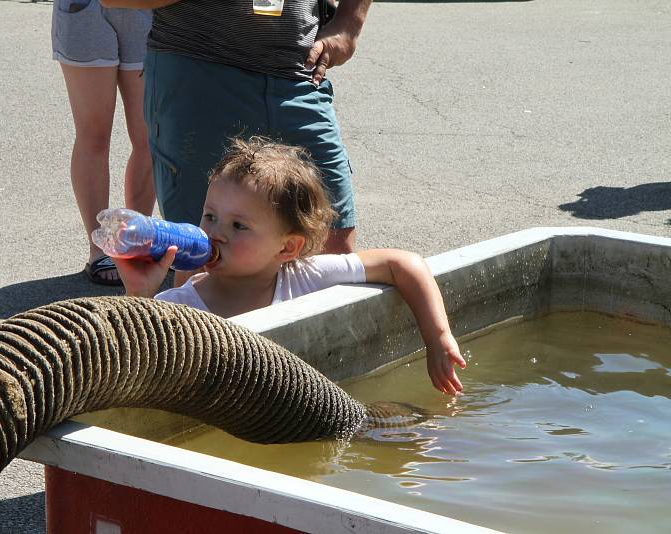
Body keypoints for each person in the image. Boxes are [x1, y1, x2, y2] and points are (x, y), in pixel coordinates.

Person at [113, 137, 467, 395]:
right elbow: (130, 365)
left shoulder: (303, 277)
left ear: (288, 247)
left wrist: (437, 338)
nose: (215, 233)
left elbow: (401, 264)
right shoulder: (181, 305)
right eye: (210, 216)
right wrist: (139, 295)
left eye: (238, 226)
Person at [100, 0, 373, 282]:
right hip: (199, 67)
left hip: (299, 74)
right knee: (204, 262)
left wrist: (349, 22)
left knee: (333, 253)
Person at [52, 0, 155, 285]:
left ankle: (136, 240)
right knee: (94, 136)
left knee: (149, 137)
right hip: (86, 8)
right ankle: (99, 248)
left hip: (147, 9)